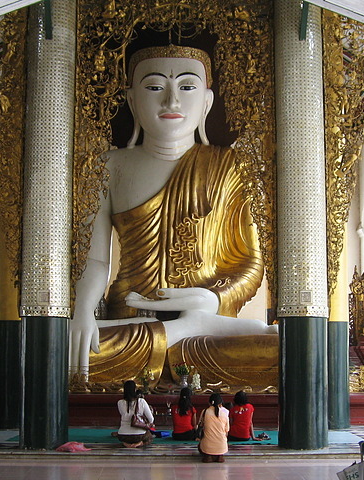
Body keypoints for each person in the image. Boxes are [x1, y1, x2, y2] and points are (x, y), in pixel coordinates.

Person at [69, 44, 277, 387]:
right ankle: (180, 332)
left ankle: (188, 328)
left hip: (208, 321)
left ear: (206, 101)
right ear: (133, 100)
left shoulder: (230, 167)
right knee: (64, 346)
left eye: (186, 87)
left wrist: (213, 299)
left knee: (281, 349)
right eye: (154, 87)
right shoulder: (110, 166)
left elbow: (250, 264)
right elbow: (95, 261)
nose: (171, 102)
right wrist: (82, 313)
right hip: (132, 321)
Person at [117, 380, 155, 448]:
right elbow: (151, 419)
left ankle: (126, 444)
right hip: (139, 435)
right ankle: (139, 444)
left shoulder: (120, 402)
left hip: (123, 435)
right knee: (149, 437)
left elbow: (122, 414)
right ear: (135, 389)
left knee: (124, 436)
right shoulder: (141, 401)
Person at [197, 393, 229, 463]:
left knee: (200, 446)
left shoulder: (205, 412)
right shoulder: (225, 413)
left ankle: (209, 455)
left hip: (207, 445)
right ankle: (219, 455)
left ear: (209, 402)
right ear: (221, 403)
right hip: (222, 446)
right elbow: (227, 432)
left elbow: (200, 425)